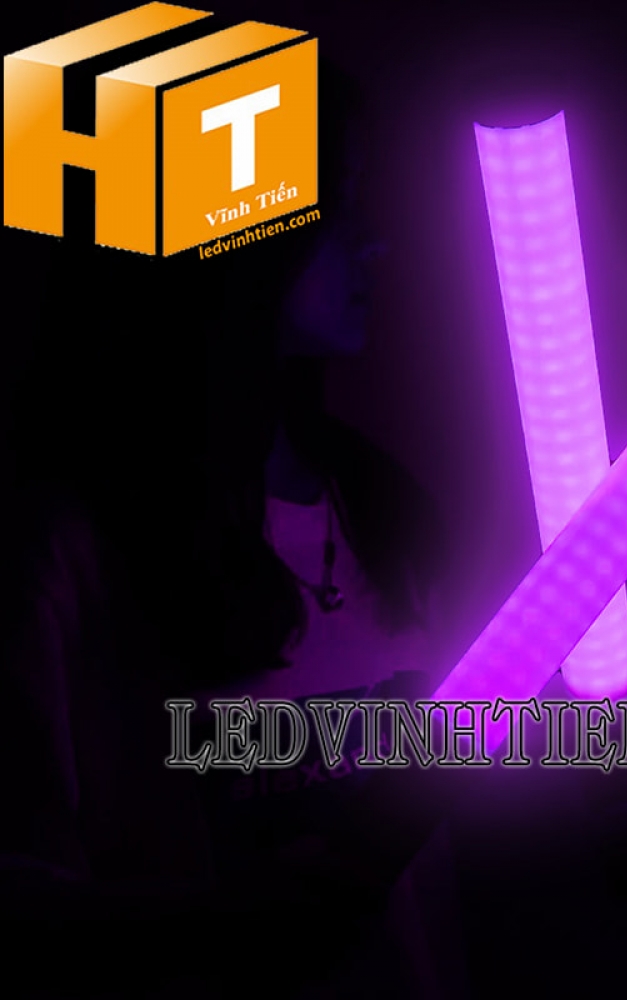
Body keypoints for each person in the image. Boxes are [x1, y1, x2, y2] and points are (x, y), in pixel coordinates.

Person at [0, 59, 463, 997]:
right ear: (226, 241)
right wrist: (218, 924)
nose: (375, 243)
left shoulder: (383, 512)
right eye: (335, 205)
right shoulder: (59, 554)